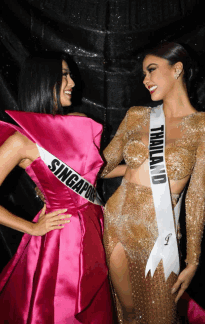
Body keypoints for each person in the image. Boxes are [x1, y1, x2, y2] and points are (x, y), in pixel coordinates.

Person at [100, 42, 205, 323]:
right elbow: (100, 167)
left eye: (152, 70)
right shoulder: (137, 116)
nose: (145, 80)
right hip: (116, 222)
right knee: (127, 314)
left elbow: (197, 196)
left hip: (157, 233)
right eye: (143, 73)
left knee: (160, 316)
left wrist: (193, 260)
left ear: (177, 69)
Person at [0, 53, 113, 323]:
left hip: (96, 224)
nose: (72, 82)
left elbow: (93, 175)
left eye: (70, 74)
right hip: (62, 238)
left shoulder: (78, 121)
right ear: (43, 80)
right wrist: (32, 227)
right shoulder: (21, 142)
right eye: (63, 74)